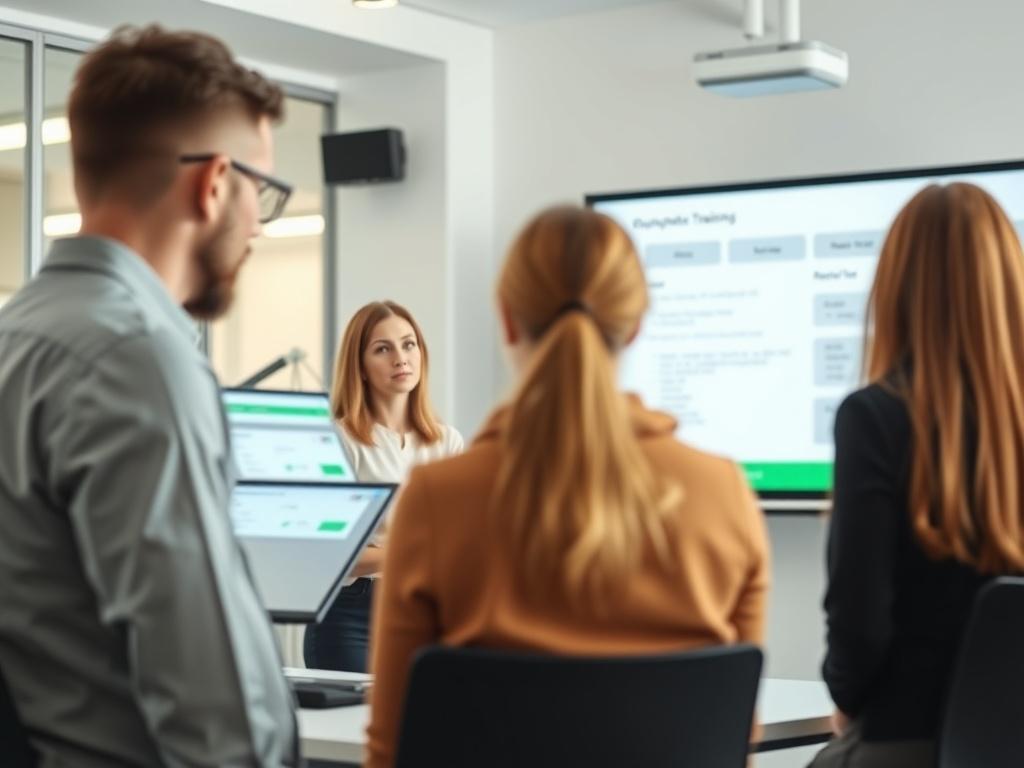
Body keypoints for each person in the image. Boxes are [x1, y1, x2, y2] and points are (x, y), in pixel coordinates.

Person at [364, 205, 771, 767]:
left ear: (506, 320)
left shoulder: (438, 499)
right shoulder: (722, 492)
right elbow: (733, 740)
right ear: (634, 325)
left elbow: (393, 753)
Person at [0, 26, 299, 767]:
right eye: (262, 190)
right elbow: (210, 700)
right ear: (214, 182)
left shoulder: (20, 337)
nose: (259, 221)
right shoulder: (135, 359)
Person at [809, 182, 1024, 768]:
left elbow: (859, 627)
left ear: (896, 289)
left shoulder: (875, 417)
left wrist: (851, 701)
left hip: (908, 741)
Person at [303, 300, 463, 672]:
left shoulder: (447, 442)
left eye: (409, 344)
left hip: (427, 612)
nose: (400, 358)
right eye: (382, 349)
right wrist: (421, 545)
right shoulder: (340, 442)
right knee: (355, 729)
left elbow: (460, 545)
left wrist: (383, 547)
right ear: (359, 366)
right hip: (351, 619)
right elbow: (336, 558)